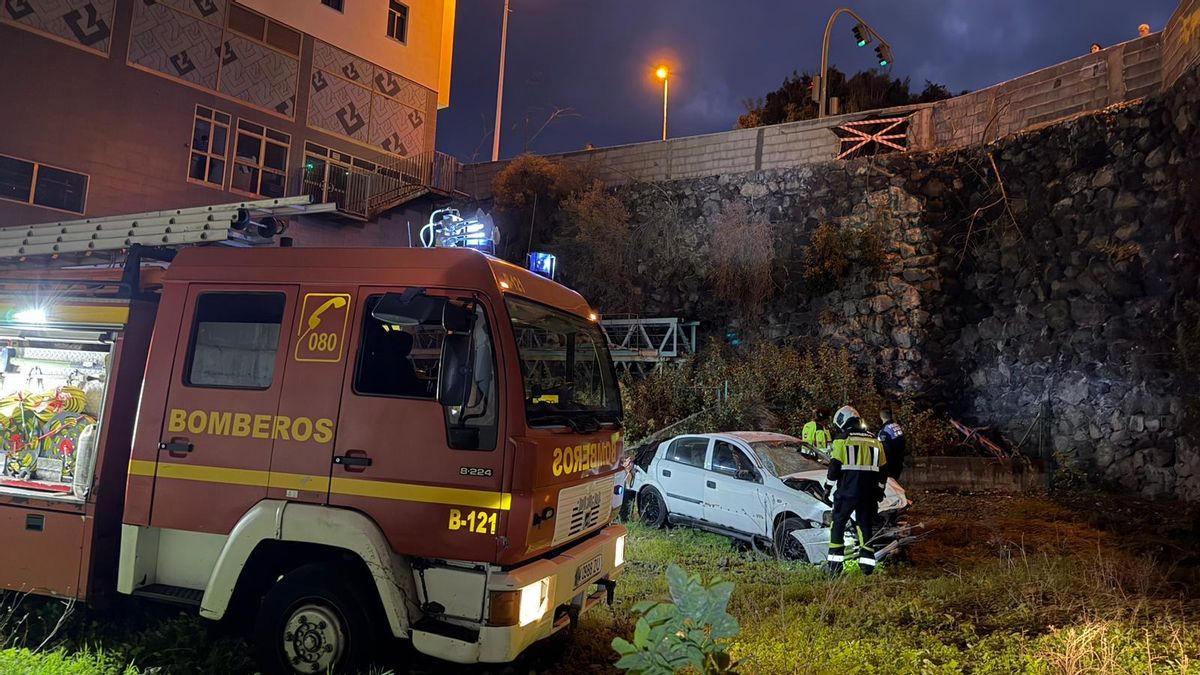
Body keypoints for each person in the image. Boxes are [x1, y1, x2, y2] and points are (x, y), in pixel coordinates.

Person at [825, 405, 888, 576]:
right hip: (868, 494)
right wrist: (880, 490)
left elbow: (834, 468)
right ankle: (867, 567)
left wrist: (827, 488)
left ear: (842, 421)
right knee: (865, 525)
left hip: (847, 493)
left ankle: (834, 568)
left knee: (837, 525)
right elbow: (883, 470)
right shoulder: (875, 440)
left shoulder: (842, 439)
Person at [877, 408, 907, 482]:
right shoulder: (896, 426)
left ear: (881, 416)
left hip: (890, 465)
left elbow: (886, 449)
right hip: (899, 462)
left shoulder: (885, 431)